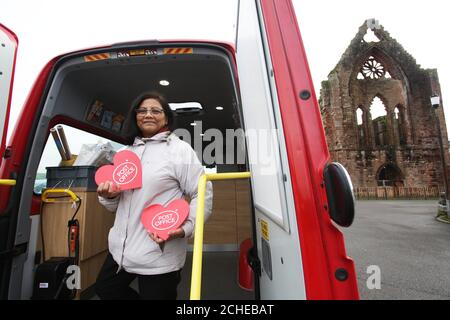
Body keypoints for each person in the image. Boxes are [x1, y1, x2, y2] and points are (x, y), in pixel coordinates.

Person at [95, 91, 213, 300]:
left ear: (166, 118)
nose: (148, 114)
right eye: (142, 110)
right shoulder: (126, 153)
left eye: (156, 110)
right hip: (120, 250)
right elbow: (116, 206)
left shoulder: (179, 150)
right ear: (135, 117)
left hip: (158, 252)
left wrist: (184, 228)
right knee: (106, 289)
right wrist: (109, 196)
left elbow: (202, 193)